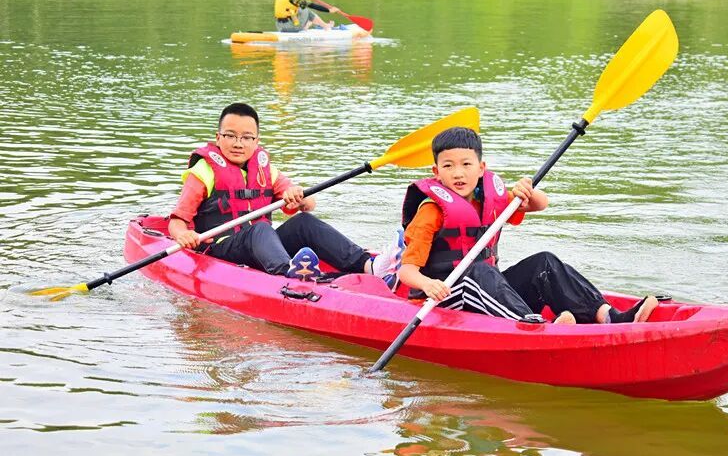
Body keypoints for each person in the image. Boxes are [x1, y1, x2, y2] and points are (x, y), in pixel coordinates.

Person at [397, 127, 658, 325]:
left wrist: (526, 191)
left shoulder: (489, 200)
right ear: (436, 172)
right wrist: (428, 284)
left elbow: (540, 204)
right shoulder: (430, 212)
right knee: (478, 272)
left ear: (481, 168)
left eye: (466, 164)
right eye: (448, 166)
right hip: (443, 298)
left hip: (486, 291)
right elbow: (406, 272)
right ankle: (535, 327)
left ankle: (608, 316)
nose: (458, 173)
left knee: (544, 263)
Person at [168, 102, 398, 282]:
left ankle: (368, 266)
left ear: (256, 141)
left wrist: (300, 197)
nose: (238, 143)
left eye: (246, 137)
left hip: (260, 246)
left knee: (304, 222)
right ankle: (289, 274)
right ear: (218, 138)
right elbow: (177, 221)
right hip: (221, 248)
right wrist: (182, 235)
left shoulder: (266, 170)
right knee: (260, 229)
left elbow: (309, 205)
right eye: (230, 135)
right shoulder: (203, 172)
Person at [274, 0, 340, 33]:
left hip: (280, 27)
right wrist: (329, 10)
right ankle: (325, 26)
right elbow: (311, 5)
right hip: (289, 27)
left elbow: (294, 3)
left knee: (299, 9)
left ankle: (309, 25)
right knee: (305, 10)